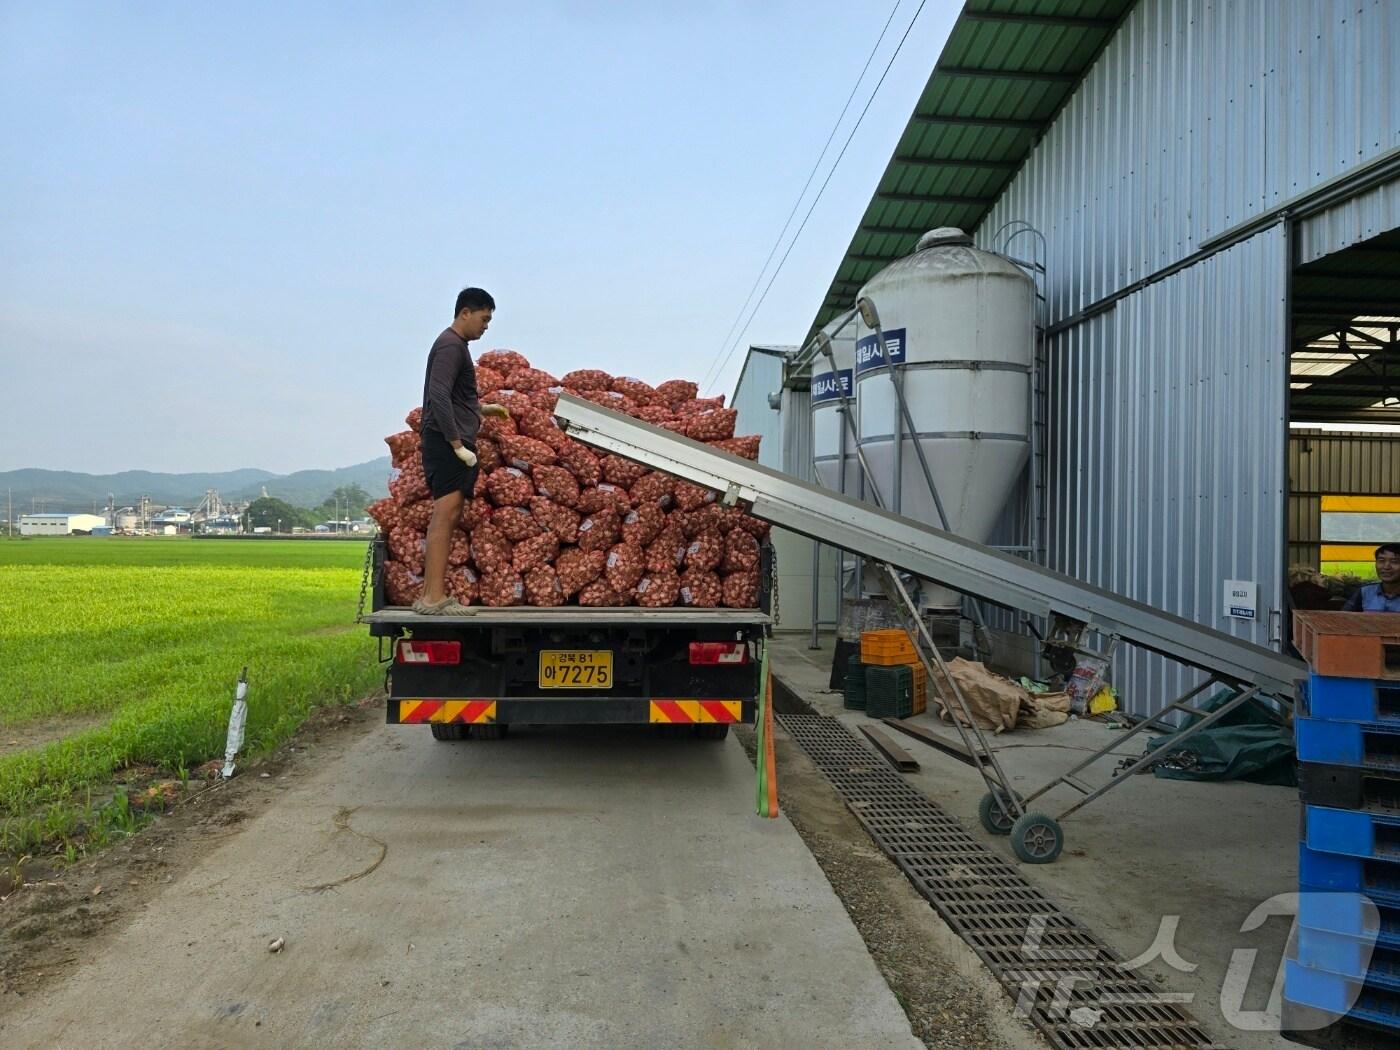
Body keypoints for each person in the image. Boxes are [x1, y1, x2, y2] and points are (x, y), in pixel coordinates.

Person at [412, 287, 509, 614]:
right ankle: (434, 598)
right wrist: (457, 444)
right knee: (446, 514)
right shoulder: (452, 346)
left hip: (447, 440)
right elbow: (438, 397)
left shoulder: (454, 346)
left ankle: (429, 595)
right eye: (483, 319)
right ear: (465, 312)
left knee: (446, 516)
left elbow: (454, 399)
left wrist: (483, 409)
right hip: (446, 443)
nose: (485, 326)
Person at [1341, 542, 1400, 612]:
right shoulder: (1365, 592)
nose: (1386, 567)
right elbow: (1344, 618)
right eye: (1381, 561)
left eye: (1394, 562)